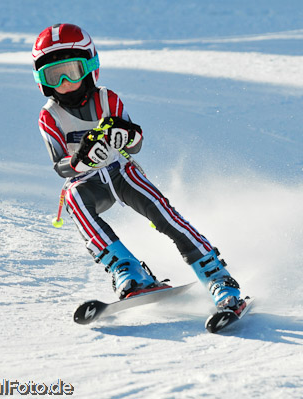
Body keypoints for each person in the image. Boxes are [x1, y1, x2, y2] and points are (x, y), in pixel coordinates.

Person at [32, 23, 243, 311]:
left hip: (121, 172)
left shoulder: (108, 99)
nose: (65, 82)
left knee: (163, 214)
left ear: (90, 67)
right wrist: (79, 161)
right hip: (88, 182)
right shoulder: (49, 116)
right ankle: (126, 270)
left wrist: (128, 136)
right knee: (73, 197)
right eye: (54, 76)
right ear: (41, 80)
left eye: (73, 70)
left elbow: (134, 142)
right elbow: (60, 166)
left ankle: (216, 276)